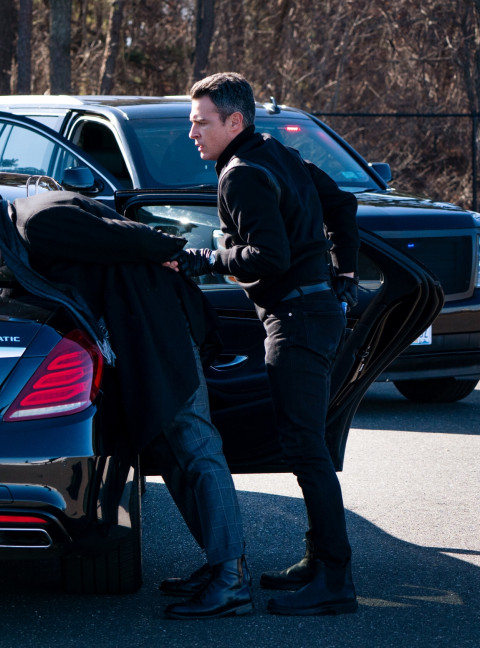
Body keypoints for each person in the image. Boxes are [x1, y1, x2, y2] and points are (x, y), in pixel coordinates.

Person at [0, 189, 252, 620]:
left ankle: (232, 581)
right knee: (172, 452)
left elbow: (127, 235)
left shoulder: (38, 222)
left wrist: (176, 254)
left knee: (196, 447)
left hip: (159, 329)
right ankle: (220, 565)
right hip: (138, 335)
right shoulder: (23, 237)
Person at [180, 72, 360, 616]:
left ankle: (334, 579)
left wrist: (203, 258)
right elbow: (342, 206)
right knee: (309, 445)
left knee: (305, 449)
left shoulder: (241, 174)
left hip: (296, 319)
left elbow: (270, 257)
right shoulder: (278, 154)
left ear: (234, 120)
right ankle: (319, 558)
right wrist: (344, 274)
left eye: (201, 122)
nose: (193, 133)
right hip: (316, 311)